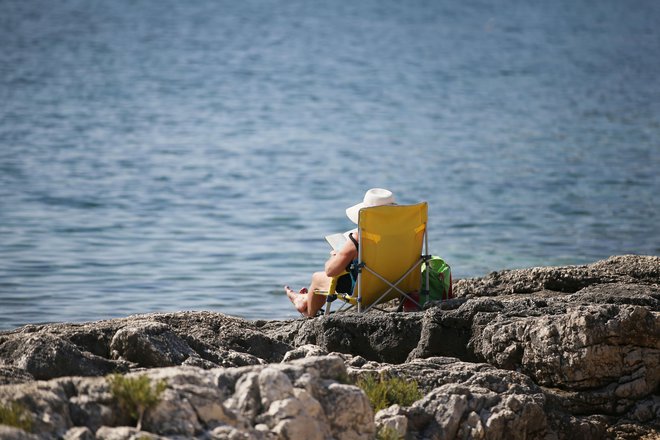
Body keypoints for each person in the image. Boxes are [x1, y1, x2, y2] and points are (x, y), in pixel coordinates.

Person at [285, 188, 396, 317]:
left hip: (367, 289)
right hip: (397, 285)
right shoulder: (405, 234)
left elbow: (331, 271)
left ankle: (307, 312)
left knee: (318, 278)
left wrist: (336, 256)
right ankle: (304, 299)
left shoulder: (360, 238)